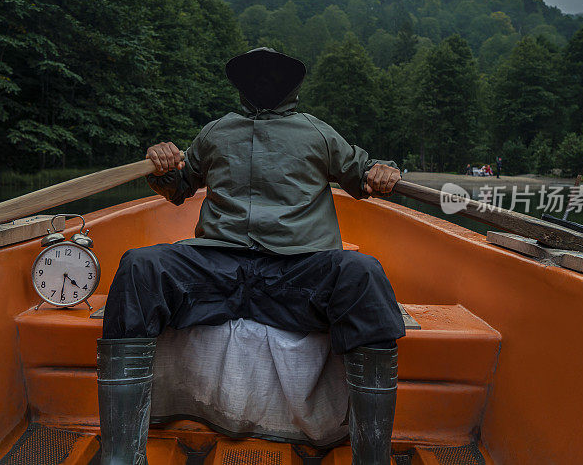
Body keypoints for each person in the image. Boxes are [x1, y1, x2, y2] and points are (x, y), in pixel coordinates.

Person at [97, 47, 406, 465]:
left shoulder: (317, 132)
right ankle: (122, 455)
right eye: (254, 74)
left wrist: (384, 170)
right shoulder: (216, 132)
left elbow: (364, 174)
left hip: (297, 271)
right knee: (139, 266)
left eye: (273, 74)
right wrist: (162, 164)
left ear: (291, 84)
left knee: (363, 272)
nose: (264, 81)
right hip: (218, 266)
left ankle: (373, 458)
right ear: (241, 84)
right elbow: (179, 187)